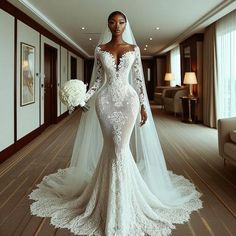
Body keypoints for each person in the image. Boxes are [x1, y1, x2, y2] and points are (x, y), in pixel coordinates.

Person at [29, 11, 202, 236]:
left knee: (121, 148)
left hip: (128, 102)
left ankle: (124, 199)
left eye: (121, 22)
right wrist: (82, 98)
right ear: (108, 25)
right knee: (111, 147)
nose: (117, 25)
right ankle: (105, 197)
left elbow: (139, 80)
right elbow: (98, 80)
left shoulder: (134, 49)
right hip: (106, 102)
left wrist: (142, 105)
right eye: (112, 22)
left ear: (125, 24)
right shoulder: (100, 50)